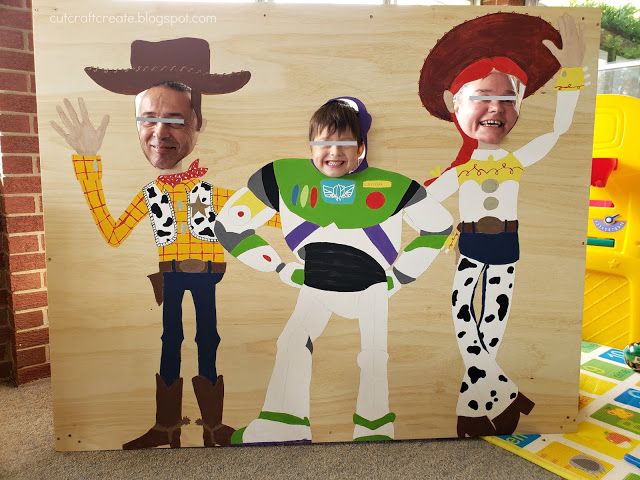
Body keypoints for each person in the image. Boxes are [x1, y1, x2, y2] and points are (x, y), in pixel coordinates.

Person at [51, 37, 278, 449]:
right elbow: (113, 232)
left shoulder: (214, 191)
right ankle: (166, 425)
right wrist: (88, 164)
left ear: (198, 123)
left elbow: (268, 218)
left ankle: (213, 427)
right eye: (148, 118)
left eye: (176, 119)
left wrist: (306, 212)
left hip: (208, 276)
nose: (160, 132)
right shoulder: (152, 194)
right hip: (170, 277)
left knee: (207, 339)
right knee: (169, 339)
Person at [214, 97, 453, 444]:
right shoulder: (283, 178)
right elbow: (229, 226)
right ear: (311, 145)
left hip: (371, 287)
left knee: (373, 354)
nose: (333, 152)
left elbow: (439, 227)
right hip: (315, 284)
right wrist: (280, 267)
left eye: (344, 144)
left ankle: (375, 429)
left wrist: (399, 277)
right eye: (324, 142)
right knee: (292, 342)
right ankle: (284, 422)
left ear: (361, 148)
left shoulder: (395, 187)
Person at [418, 13, 586, 437]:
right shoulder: (459, 170)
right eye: (483, 97)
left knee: (489, 331)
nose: (497, 108)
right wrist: (443, 230)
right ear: (455, 103)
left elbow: (560, 129)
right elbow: (420, 205)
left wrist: (573, 73)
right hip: (471, 249)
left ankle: (473, 410)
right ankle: (507, 395)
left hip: (506, 249)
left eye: (509, 99)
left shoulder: (515, 160)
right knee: (465, 327)